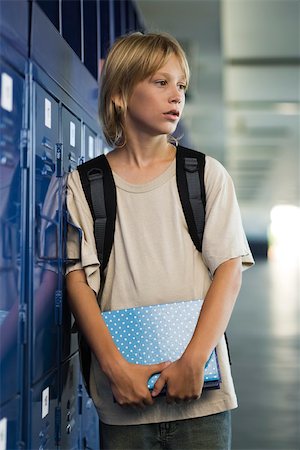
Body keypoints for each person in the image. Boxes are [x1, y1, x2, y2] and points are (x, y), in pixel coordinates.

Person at [65, 32, 254, 450]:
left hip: (201, 400)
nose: (176, 96)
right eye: (160, 82)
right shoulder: (85, 184)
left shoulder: (205, 175)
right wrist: (115, 370)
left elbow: (229, 271)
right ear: (119, 95)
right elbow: (77, 279)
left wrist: (193, 360)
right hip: (124, 398)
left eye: (181, 85)